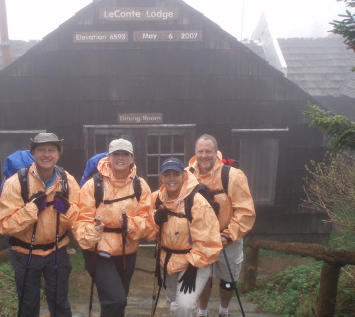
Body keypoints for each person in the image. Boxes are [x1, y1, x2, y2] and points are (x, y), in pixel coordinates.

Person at [0, 133, 80, 317]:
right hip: (25, 253)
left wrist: (67, 210)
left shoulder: (67, 181)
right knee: (28, 305)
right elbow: (3, 225)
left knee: (60, 304)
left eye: (51, 150)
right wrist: (31, 210)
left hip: (57, 251)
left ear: (59, 153)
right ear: (33, 153)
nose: (46, 155)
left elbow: (79, 218)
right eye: (41, 150)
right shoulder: (17, 182)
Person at [72, 138, 152, 317]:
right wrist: (93, 231)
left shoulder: (140, 185)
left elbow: (147, 222)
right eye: (116, 154)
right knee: (116, 299)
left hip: (127, 250)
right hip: (99, 251)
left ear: (132, 158)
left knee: (117, 301)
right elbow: (80, 220)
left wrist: (130, 224)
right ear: (109, 157)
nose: (121, 158)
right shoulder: (93, 185)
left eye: (125, 154)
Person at [189, 134, 256, 317]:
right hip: (200, 240)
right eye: (200, 151)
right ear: (195, 153)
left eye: (208, 151)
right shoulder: (187, 175)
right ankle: (202, 312)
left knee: (228, 280)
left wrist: (228, 235)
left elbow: (245, 212)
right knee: (203, 279)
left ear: (215, 152)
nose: (204, 155)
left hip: (228, 239)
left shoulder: (233, 175)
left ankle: (223, 311)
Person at [150, 157, 223, 317]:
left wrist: (194, 267)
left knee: (184, 306)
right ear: (161, 177)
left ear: (183, 175)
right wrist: (155, 219)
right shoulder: (156, 199)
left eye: (175, 174)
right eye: (166, 174)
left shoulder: (197, 202)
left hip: (195, 262)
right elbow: (147, 231)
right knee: (173, 304)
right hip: (168, 261)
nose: (171, 179)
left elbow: (209, 240)